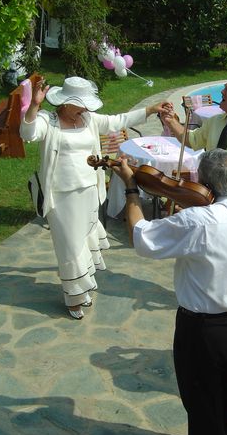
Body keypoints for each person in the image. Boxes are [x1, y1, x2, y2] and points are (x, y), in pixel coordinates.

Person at [112, 149, 227, 435]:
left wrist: (131, 187)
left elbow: (140, 235)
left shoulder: (197, 222)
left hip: (204, 330)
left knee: (202, 404)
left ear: (205, 184)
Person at [20, 76, 169, 320]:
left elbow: (118, 120)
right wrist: (35, 105)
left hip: (89, 191)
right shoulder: (49, 120)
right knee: (69, 246)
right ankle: (74, 296)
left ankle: (82, 287)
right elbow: (28, 133)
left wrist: (150, 109)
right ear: (66, 102)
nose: (85, 108)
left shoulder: (88, 119)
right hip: (61, 196)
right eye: (80, 104)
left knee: (81, 242)